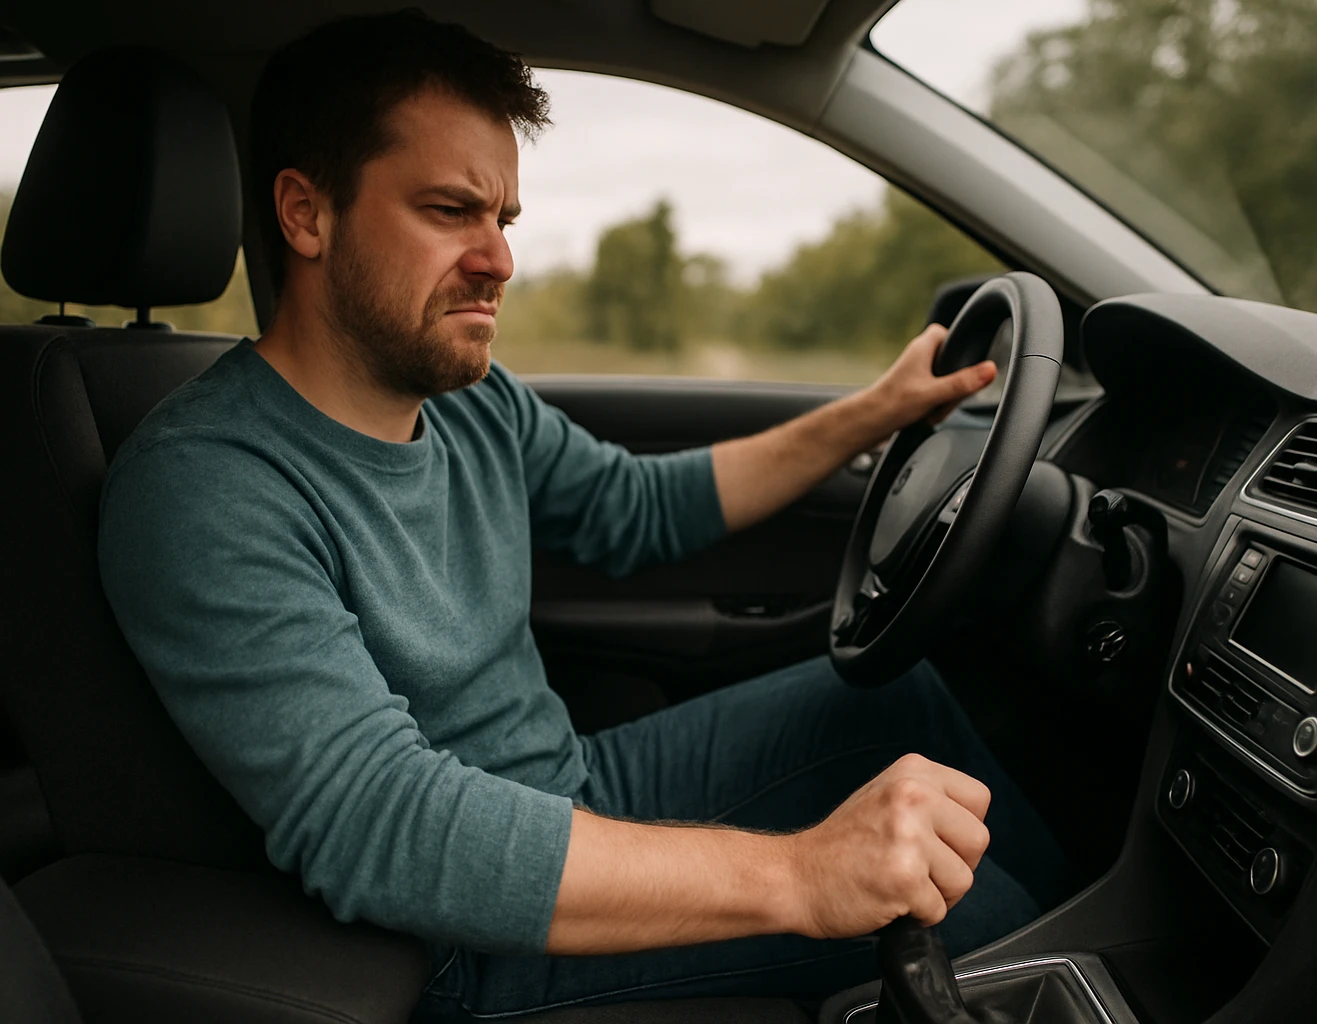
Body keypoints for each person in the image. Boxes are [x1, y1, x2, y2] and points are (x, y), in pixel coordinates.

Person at [97, 10, 1072, 1019]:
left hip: (572, 779)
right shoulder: (205, 486)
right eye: (448, 210)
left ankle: (1088, 930)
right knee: (951, 911)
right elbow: (382, 822)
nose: (498, 260)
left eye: (503, 219)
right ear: (306, 214)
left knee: (899, 699)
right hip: (449, 934)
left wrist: (878, 410)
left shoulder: (468, 402)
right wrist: (804, 876)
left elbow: (642, 507)